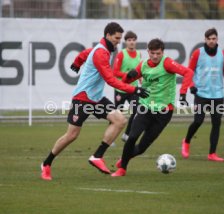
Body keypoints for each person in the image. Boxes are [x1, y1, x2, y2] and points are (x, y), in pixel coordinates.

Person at [40, 22, 149, 181]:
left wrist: (77, 62)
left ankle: (97, 156)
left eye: (120, 38)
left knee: (119, 120)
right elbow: (111, 80)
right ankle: (46, 163)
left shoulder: (102, 49)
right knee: (72, 135)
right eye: (117, 38)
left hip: (96, 98)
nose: (119, 41)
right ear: (108, 35)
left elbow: (85, 53)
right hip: (82, 98)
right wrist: (134, 89)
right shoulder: (101, 53)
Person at [111, 38, 193, 177]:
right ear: (148, 51)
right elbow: (126, 82)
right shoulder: (143, 65)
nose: (155, 56)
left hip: (164, 112)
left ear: (162, 52)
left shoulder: (167, 63)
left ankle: (125, 158)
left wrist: (183, 92)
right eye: (152, 53)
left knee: (142, 147)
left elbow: (188, 72)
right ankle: (122, 169)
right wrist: (127, 76)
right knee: (132, 137)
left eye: (158, 53)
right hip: (145, 108)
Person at [180, 28, 224, 162]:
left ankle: (212, 153)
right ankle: (186, 141)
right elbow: (189, 71)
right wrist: (191, 86)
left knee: (216, 123)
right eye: (209, 39)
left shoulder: (223, 54)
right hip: (201, 94)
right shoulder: (197, 53)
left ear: (217, 40)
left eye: (214, 39)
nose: (211, 41)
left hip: (217, 95)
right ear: (205, 39)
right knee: (198, 121)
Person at [113, 31, 141, 143]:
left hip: (133, 89)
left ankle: (126, 134)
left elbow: (138, 70)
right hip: (121, 89)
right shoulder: (121, 54)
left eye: (133, 40)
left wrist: (140, 79)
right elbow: (115, 72)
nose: (132, 42)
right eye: (129, 40)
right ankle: (112, 138)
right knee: (117, 115)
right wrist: (127, 75)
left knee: (136, 111)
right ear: (125, 42)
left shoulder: (139, 54)